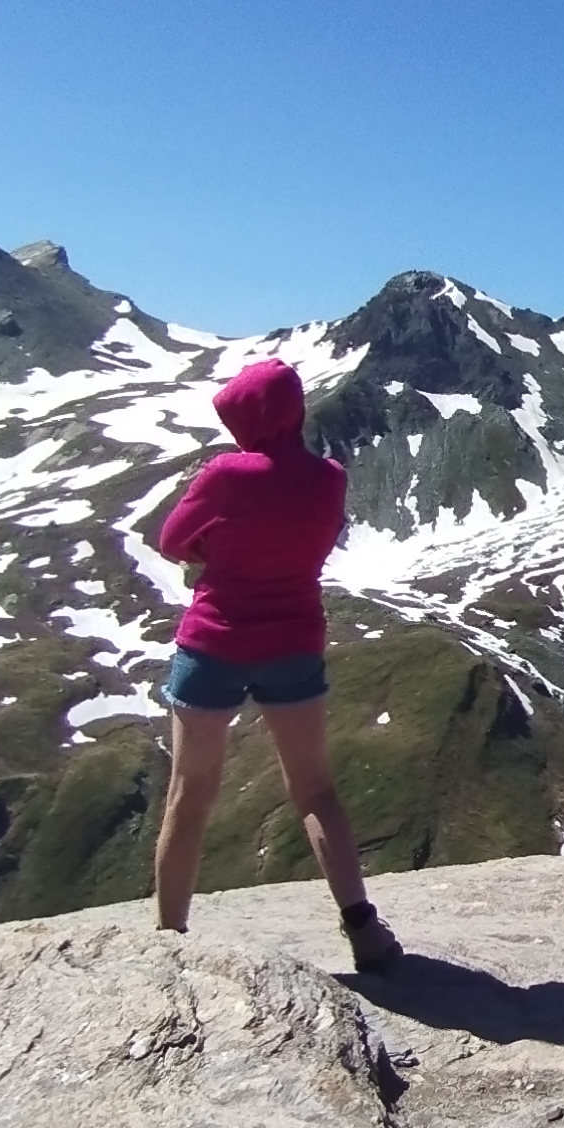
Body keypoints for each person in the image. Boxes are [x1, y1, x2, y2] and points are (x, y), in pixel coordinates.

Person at [151, 356, 405, 973]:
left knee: (191, 791)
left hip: (214, 641)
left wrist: (216, 546)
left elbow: (172, 542)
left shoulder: (226, 475)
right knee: (315, 790)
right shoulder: (330, 478)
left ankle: (168, 936)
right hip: (293, 642)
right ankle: (361, 926)